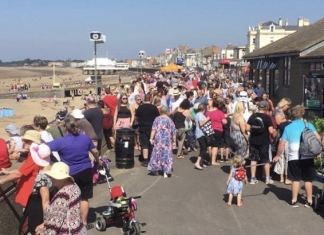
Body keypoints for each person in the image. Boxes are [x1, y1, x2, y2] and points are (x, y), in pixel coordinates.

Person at [47, 115, 102, 229]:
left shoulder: (61, 142)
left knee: (69, 198)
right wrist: (98, 161)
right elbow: (95, 151)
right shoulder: (85, 138)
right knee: (84, 198)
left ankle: (71, 223)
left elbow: (44, 148)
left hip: (69, 174)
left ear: (65, 128)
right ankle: (84, 223)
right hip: (86, 170)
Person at [273, 105, 321, 208]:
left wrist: (277, 155)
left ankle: (294, 201)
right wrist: (317, 152)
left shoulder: (288, 127)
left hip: (293, 156)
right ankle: (309, 201)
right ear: (302, 114)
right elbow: (317, 138)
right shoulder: (308, 125)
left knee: (295, 179)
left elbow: (282, 143)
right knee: (308, 180)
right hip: (307, 155)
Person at [35, 162, 87, 235]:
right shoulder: (74, 186)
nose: (52, 179)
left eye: (54, 177)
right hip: (78, 229)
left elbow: (56, 222)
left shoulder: (63, 195)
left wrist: (44, 232)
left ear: (63, 178)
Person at [0, 130, 41, 208]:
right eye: (24, 142)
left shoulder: (34, 157)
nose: (25, 145)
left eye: (27, 142)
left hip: (30, 198)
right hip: (30, 197)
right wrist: (8, 172)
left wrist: (1, 181)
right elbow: (24, 170)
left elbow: (19, 174)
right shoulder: (34, 153)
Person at [20, 144, 54, 235]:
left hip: (38, 211)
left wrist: (46, 222)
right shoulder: (54, 168)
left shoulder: (42, 177)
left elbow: (45, 201)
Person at [246, 101, 274, 185]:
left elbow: (247, 128)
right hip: (264, 141)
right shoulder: (267, 117)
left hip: (254, 140)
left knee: (253, 159)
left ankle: (253, 178)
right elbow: (271, 131)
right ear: (266, 108)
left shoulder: (252, 116)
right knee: (265, 159)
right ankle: (267, 178)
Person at [148, 106, 177, 178]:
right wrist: (174, 142)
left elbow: (153, 129)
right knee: (167, 156)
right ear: (167, 112)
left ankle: (155, 170)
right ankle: (166, 172)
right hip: (167, 141)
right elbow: (174, 132)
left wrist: (151, 138)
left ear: (160, 111)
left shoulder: (157, 119)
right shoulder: (170, 120)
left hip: (159, 140)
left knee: (157, 154)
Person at [136, 93, 160, 167]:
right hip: (152, 128)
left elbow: (137, 117)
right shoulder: (154, 108)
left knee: (145, 144)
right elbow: (157, 118)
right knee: (152, 143)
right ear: (150, 99)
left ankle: (145, 160)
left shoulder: (140, 107)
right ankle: (152, 158)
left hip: (143, 127)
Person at [206, 98, 227, 165]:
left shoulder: (208, 112)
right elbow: (224, 122)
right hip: (218, 129)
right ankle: (213, 161)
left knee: (209, 144)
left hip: (209, 129)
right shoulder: (220, 112)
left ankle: (209, 158)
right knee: (215, 145)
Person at [194, 103, 209, 170]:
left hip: (200, 133)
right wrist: (207, 119)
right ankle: (197, 162)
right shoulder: (200, 115)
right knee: (204, 148)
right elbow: (201, 123)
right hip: (200, 133)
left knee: (203, 147)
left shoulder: (197, 114)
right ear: (204, 109)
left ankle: (201, 162)